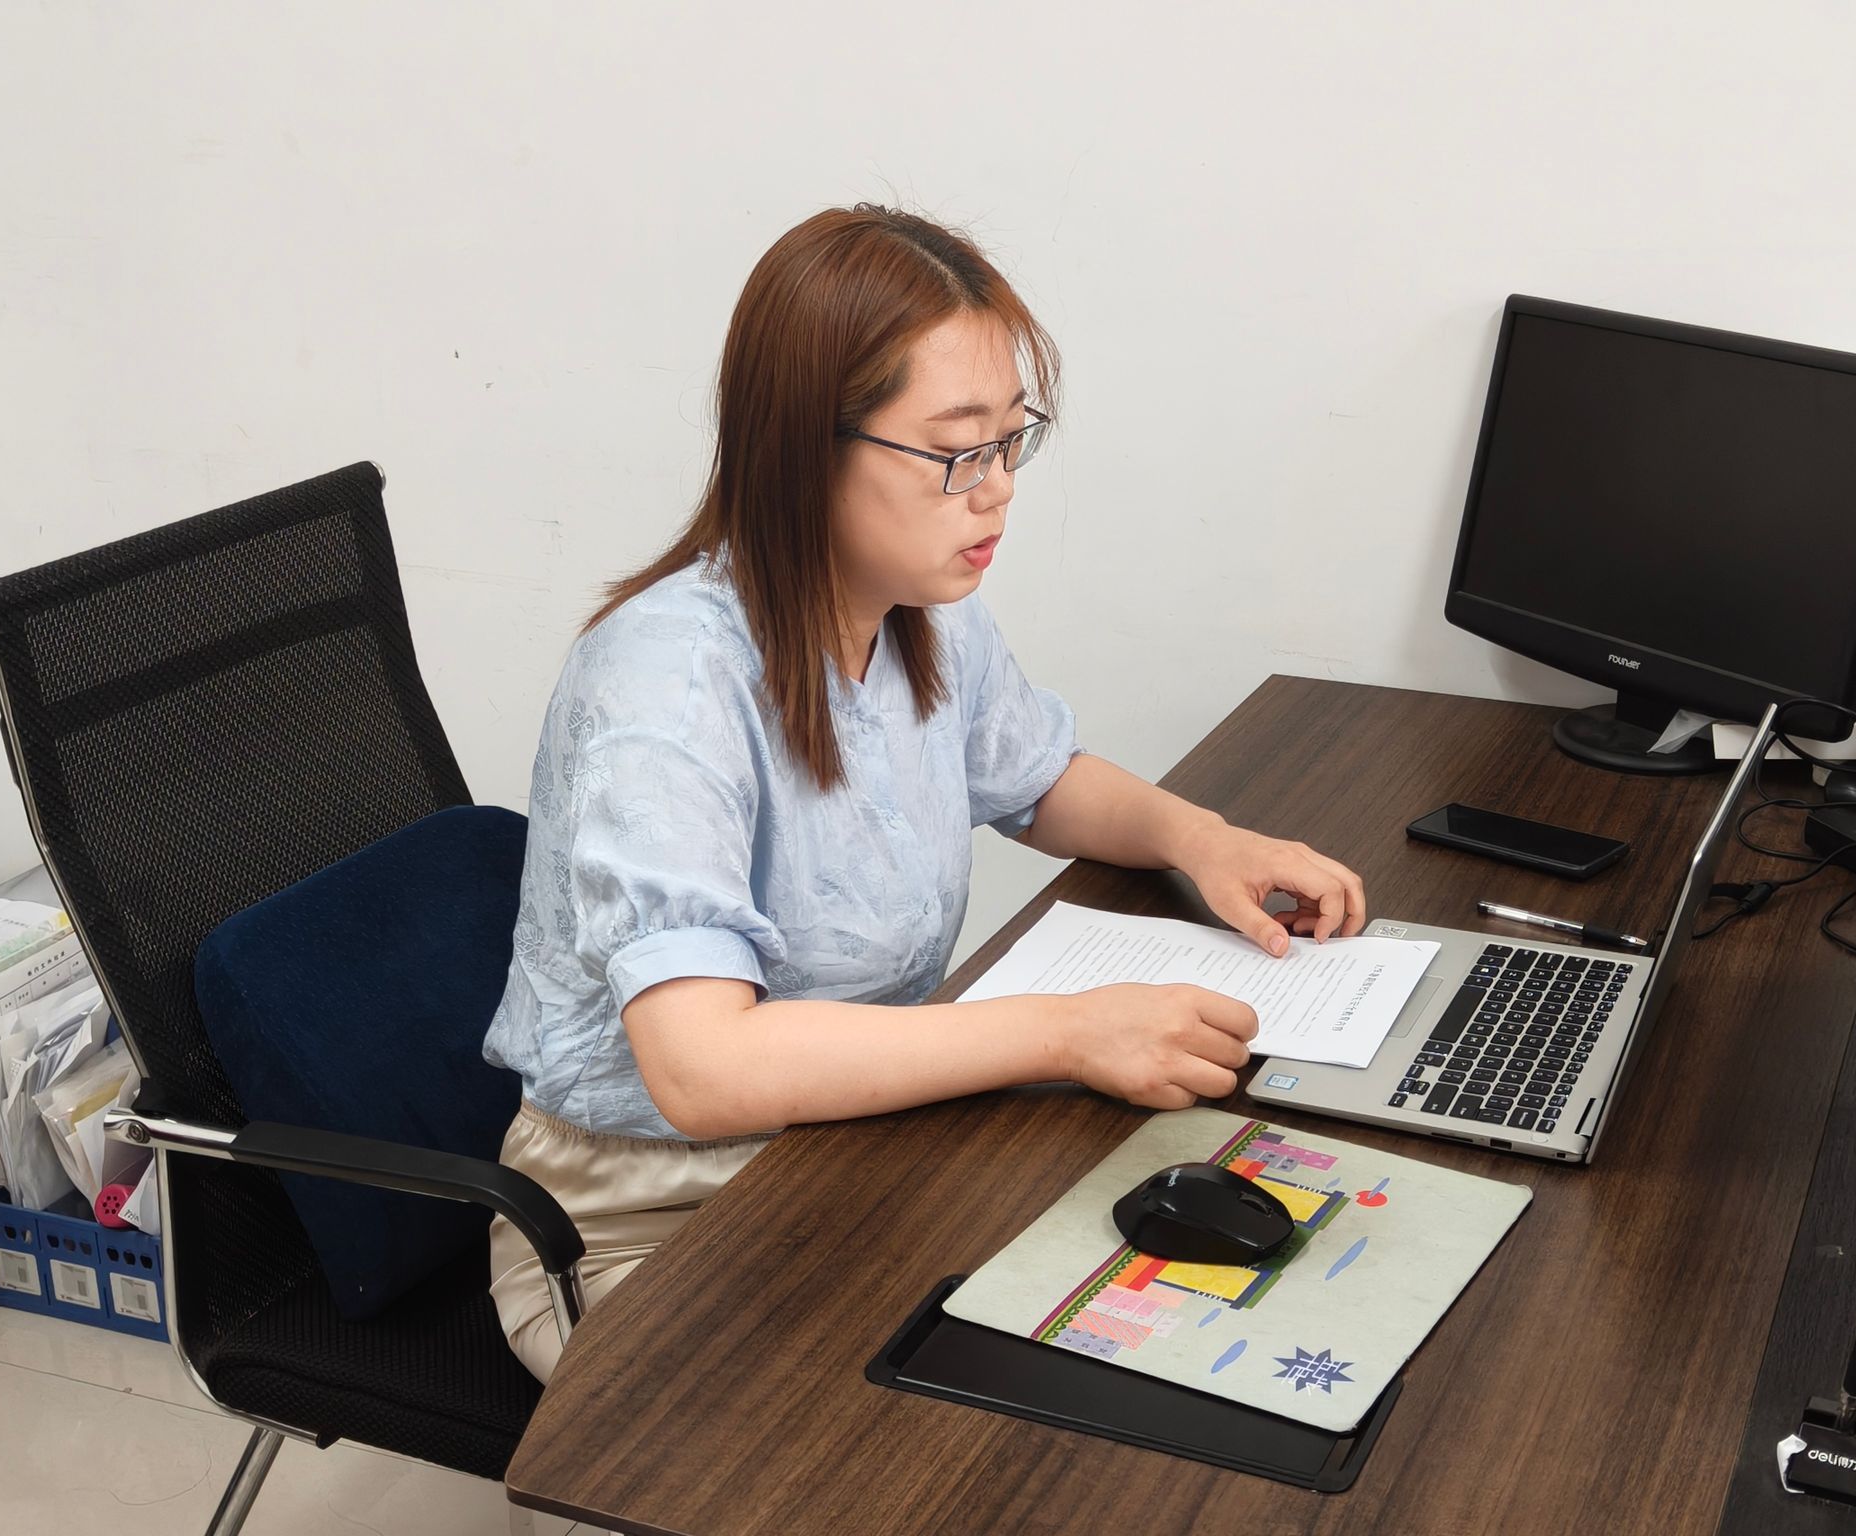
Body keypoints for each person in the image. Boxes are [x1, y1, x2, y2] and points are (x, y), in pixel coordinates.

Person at [484, 204, 1368, 1380]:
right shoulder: (666, 685)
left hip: (854, 1149)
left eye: (1011, 442)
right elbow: (703, 1070)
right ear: (805, 450)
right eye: (955, 453)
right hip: (646, 1222)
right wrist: (1064, 1031)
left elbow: (1038, 779)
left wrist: (1199, 839)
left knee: (1186, 1333)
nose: (994, 492)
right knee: (999, 1407)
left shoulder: (917, 609)